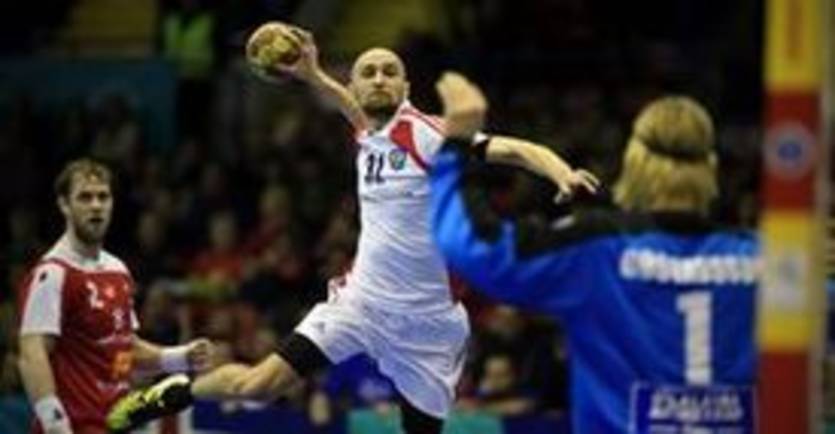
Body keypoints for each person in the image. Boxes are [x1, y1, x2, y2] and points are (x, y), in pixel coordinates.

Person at [106, 24, 597, 434]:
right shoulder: (368, 130)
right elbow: (347, 106)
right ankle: (171, 395)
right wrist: (313, 74)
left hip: (430, 327)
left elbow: (514, 150)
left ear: (406, 88)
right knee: (258, 386)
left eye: (390, 71)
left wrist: (563, 173)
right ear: (358, 87)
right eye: (368, 72)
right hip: (361, 304)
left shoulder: (428, 134)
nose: (379, 78)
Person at [429, 73, 758, 433]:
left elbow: (473, 246)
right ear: (711, 166)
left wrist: (456, 144)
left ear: (635, 160)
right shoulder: (762, 257)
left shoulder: (598, 247)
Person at [16, 159, 215, 434]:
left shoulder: (118, 270)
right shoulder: (53, 274)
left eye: (103, 197)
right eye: (85, 197)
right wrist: (55, 423)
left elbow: (124, 348)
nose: (96, 205)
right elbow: (32, 353)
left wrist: (181, 356)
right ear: (64, 205)